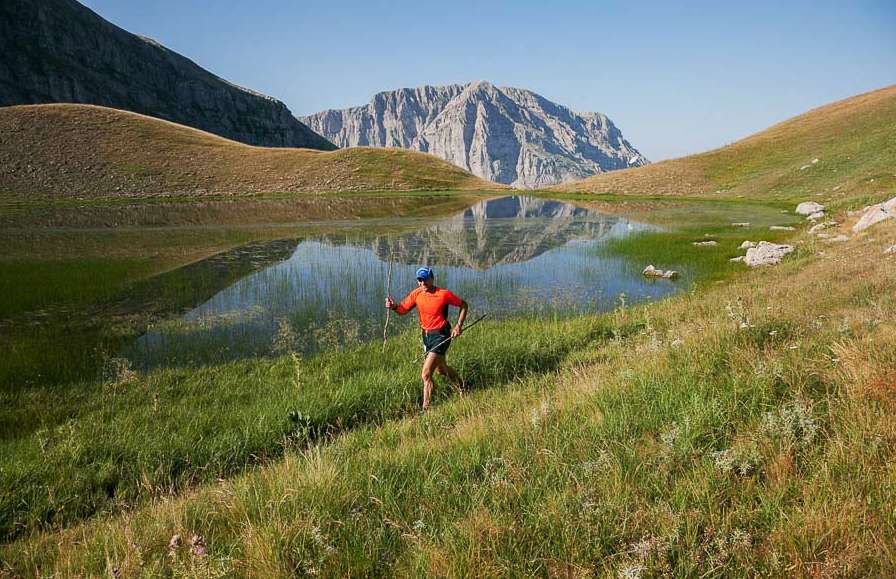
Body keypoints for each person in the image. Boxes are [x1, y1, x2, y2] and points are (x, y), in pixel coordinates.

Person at [385, 266, 468, 411]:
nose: (422, 282)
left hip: (441, 335)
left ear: (432, 278)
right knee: (441, 370)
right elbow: (403, 309)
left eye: (425, 279)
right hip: (426, 336)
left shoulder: (443, 294)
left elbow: (463, 305)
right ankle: (462, 386)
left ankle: (426, 411)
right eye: (419, 280)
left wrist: (458, 326)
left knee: (426, 374)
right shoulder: (417, 293)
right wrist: (393, 306)